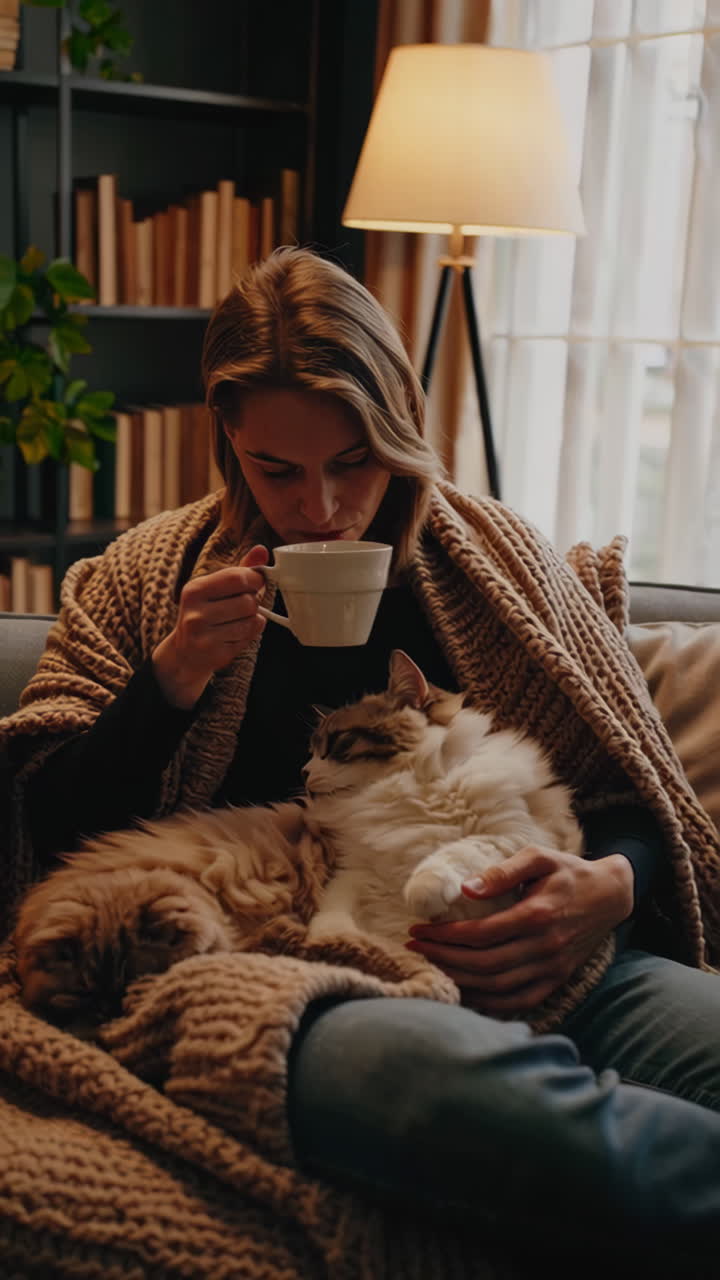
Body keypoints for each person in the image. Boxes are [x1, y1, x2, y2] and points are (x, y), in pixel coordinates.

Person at [2, 246, 720, 1267]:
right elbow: (55, 829)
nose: (324, 509)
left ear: (403, 432)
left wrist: (606, 884)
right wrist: (167, 683)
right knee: (540, 1128)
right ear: (228, 442)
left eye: (355, 463)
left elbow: (628, 788)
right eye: (278, 471)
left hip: (547, 956)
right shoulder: (145, 581)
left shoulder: (501, 568)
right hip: (278, 967)